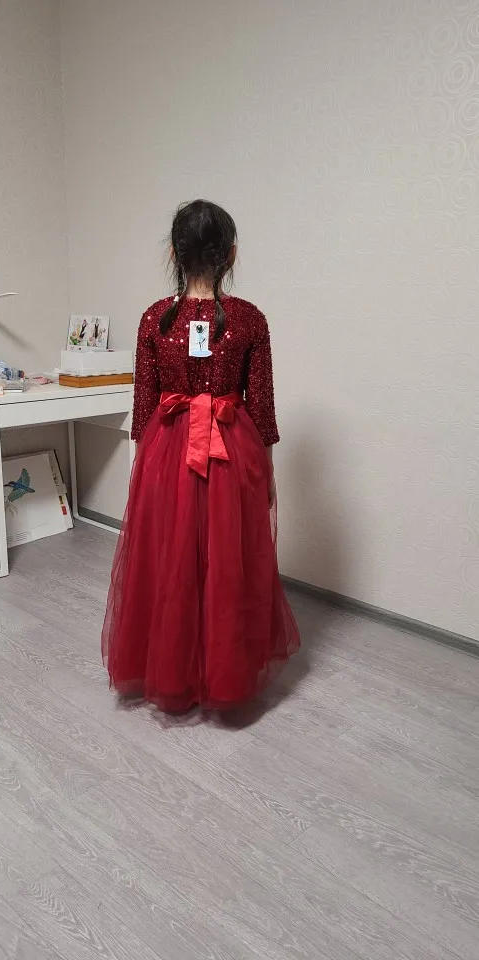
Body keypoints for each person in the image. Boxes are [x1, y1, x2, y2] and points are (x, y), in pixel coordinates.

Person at [102, 200, 300, 712]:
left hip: (166, 449)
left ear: (173, 252)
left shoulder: (154, 318)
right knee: (226, 559)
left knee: (171, 557)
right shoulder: (250, 319)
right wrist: (267, 474)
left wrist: (142, 470)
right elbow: (262, 411)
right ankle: (223, 671)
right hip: (232, 450)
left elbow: (144, 408)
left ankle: (173, 669)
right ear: (230, 254)